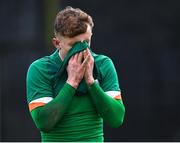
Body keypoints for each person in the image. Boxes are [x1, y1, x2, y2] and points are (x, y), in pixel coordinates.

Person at [26, 6, 125, 142]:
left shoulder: (103, 64)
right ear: (57, 43)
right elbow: (44, 122)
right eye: (73, 45)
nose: (82, 49)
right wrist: (71, 83)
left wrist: (91, 82)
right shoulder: (41, 69)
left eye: (86, 42)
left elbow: (116, 119)